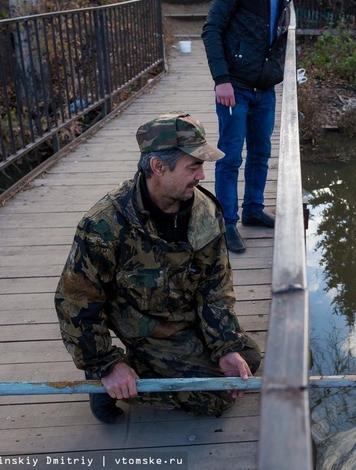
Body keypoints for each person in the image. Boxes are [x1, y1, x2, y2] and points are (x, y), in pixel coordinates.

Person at [55, 113, 262, 424]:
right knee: (213, 397)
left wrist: (225, 345)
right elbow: (75, 301)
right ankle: (106, 384)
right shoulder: (105, 224)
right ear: (158, 167)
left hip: (184, 315)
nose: (202, 176)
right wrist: (104, 365)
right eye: (193, 167)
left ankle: (144, 370)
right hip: (141, 322)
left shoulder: (205, 212)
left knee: (246, 359)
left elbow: (215, 287)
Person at [201, 0, 310, 253]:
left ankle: (252, 209)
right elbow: (211, 30)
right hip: (235, 87)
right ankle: (227, 223)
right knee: (231, 155)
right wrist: (221, 80)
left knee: (261, 152)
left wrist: (278, 72)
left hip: (265, 89)